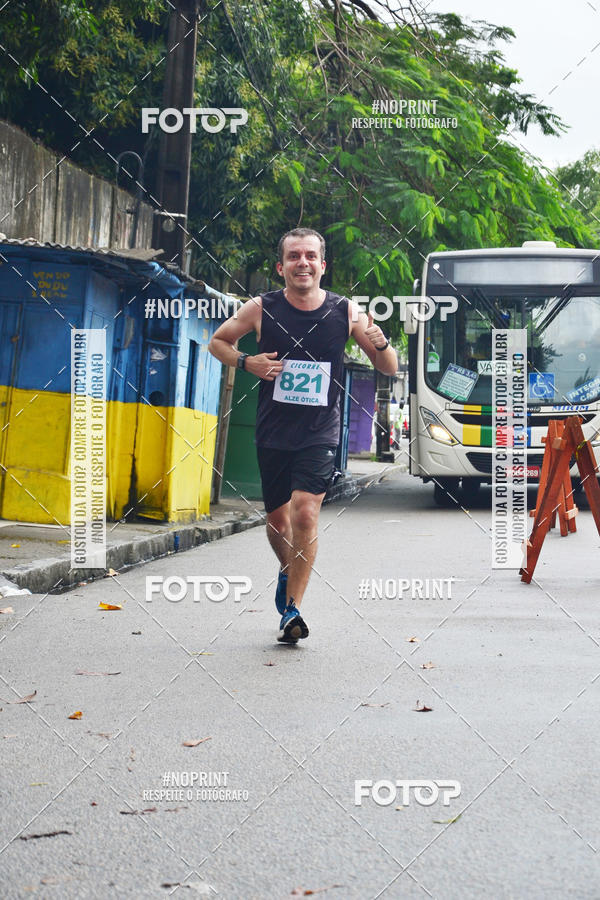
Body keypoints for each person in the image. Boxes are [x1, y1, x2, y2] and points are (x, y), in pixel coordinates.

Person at [208, 228, 398, 642]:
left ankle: (291, 611)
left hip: (320, 430)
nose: (303, 263)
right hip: (273, 430)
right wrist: (247, 362)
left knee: (305, 513)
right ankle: (287, 569)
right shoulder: (261, 308)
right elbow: (217, 342)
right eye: (294, 256)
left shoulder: (347, 312)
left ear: (322, 265)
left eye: (310, 256)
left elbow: (389, 367)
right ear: (281, 266)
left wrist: (383, 345)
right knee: (277, 522)